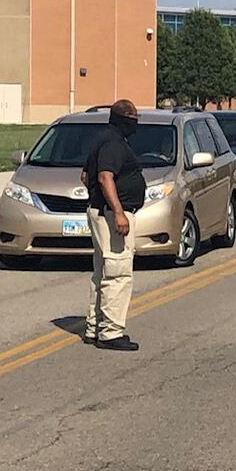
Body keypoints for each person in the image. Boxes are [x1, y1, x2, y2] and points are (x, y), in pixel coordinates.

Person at [82, 100, 144, 351]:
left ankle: (94, 326)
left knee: (102, 272)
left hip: (100, 212)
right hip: (111, 216)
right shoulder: (113, 143)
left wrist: (97, 199)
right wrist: (118, 212)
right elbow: (103, 176)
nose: (137, 122)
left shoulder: (102, 139)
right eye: (134, 117)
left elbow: (85, 176)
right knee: (117, 273)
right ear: (124, 119)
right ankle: (110, 332)